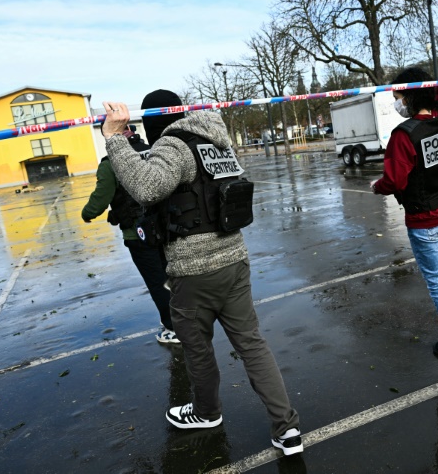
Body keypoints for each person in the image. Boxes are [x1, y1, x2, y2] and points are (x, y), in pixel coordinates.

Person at [100, 90, 302, 456]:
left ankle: (207, 413)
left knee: (196, 347)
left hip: (195, 269)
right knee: (252, 344)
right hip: (234, 259)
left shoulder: (175, 145)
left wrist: (115, 138)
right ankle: (287, 429)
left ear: (154, 121)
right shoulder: (217, 142)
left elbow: (146, 186)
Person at [370, 67, 438, 363]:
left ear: (412, 95)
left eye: (398, 96)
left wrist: (376, 187)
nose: (396, 102)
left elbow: (394, 181)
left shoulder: (404, 136)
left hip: (427, 221)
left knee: (437, 280)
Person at [81, 127, 179, 345]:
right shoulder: (154, 152)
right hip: (168, 229)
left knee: (157, 282)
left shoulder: (111, 163)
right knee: (174, 277)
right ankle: (189, 320)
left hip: (138, 234)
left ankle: (175, 329)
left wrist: (86, 214)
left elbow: (99, 199)